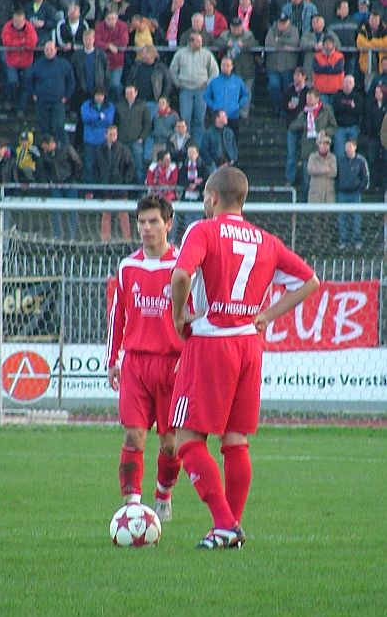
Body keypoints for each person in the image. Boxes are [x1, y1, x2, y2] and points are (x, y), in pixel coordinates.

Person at [169, 166, 319, 549]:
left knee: (186, 438)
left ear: (213, 198)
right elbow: (310, 281)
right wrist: (266, 315)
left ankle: (223, 523)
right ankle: (231, 527)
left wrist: (178, 315)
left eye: (206, 197)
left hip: (212, 342)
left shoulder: (203, 230)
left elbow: (181, 275)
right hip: (249, 346)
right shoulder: (266, 240)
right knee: (235, 441)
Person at [106, 194, 182, 521]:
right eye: (141, 222)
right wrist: (113, 359)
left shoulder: (182, 267)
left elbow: (194, 317)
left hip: (173, 365)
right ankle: (132, 509)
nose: (146, 228)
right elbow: (117, 316)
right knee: (134, 435)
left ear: (168, 224)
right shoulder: (127, 266)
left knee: (170, 444)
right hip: (136, 363)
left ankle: (163, 496)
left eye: (153, 222)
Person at [169, 31, 219, 145]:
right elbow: (172, 69)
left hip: (201, 90)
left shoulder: (207, 54)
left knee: (199, 119)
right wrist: (177, 83)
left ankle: (197, 146)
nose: (201, 43)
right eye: (198, 41)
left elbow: (215, 71)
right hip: (185, 90)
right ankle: (185, 145)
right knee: (185, 119)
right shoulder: (180, 54)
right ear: (191, 41)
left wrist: (208, 83)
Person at [36, 133, 83, 240]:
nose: (44, 150)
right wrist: (49, 179)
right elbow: (44, 168)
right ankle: (58, 236)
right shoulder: (46, 155)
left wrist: (73, 177)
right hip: (56, 185)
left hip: (69, 183)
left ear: (50, 144)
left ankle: (71, 237)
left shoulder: (67, 149)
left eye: (45, 147)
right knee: (55, 211)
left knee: (72, 211)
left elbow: (78, 163)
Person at [28, 41, 75, 145]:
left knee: (59, 126)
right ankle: (47, 150)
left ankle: (64, 148)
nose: (49, 51)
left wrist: (66, 96)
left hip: (58, 101)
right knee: (45, 128)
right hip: (42, 102)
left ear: (56, 50)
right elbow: (29, 80)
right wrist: (33, 94)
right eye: (47, 49)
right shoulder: (37, 64)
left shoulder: (63, 64)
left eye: (51, 49)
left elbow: (71, 81)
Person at [94, 124, 134, 241]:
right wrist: (100, 181)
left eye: (115, 134)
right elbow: (95, 168)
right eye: (110, 134)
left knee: (123, 214)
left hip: (120, 186)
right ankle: (105, 239)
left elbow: (130, 166)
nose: (113, 137)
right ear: (105, 135)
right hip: (106, 186)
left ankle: (127, 239)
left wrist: (125, 182)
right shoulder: (99, 150)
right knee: (106, 214)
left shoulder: (123, 149)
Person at [203, 56, 248, 141]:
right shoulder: (214, 81)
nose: (225, 67)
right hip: (218, 117)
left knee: (233, 140)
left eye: (227, 65)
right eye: (223, 65)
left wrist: (239, 105)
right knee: (217, 140)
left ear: (232, 67)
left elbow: (245, 94)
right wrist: (214, 106)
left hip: (233, 115)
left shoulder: (237, 81)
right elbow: (206, 96)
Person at [336, 138, 369, 251]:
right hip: (342, 194)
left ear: (355, 147)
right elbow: (337, 176)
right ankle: (343, 241)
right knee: (342, 218)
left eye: (350, 146)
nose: (347, 149)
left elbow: (365, 177)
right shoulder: (341, 161)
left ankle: (357, 240)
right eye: (346, 146)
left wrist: (360, 188)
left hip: (355, 194)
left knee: (356, 219)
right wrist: (339, 187)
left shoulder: (360, 161)